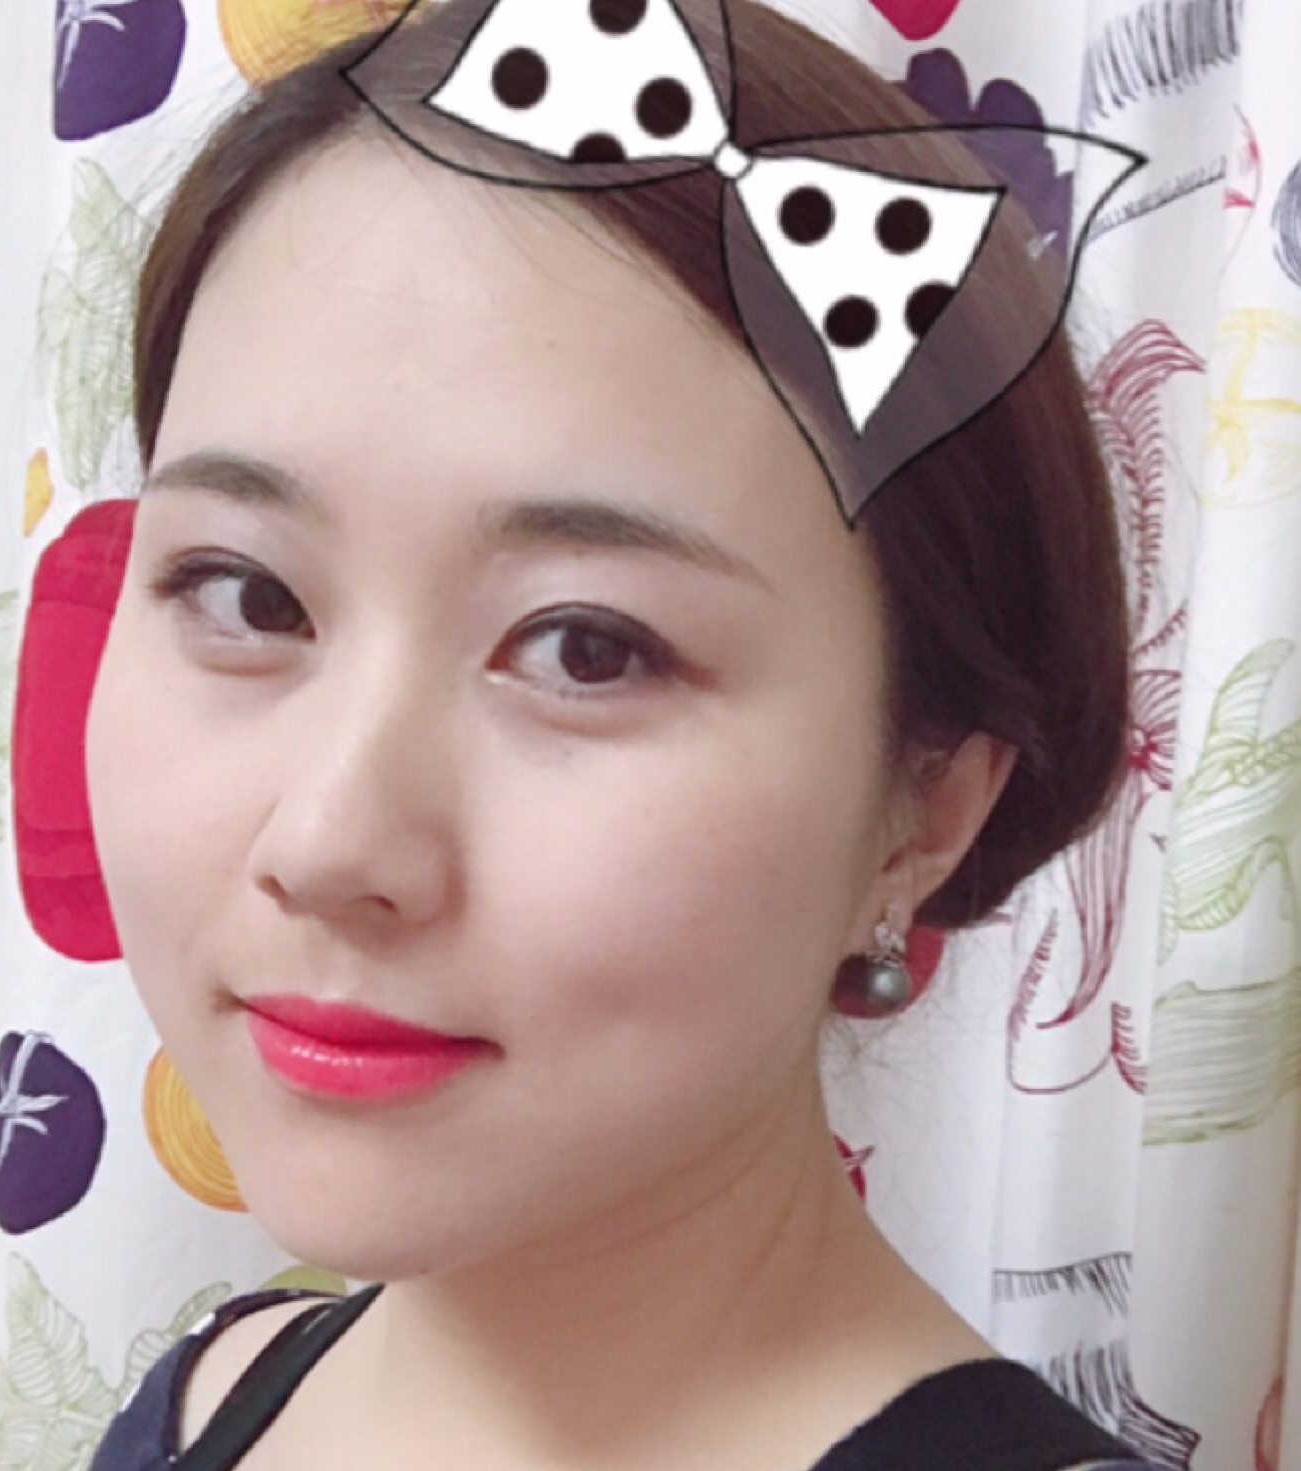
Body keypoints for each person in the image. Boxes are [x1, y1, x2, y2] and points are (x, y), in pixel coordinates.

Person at [83, 1, 1158, 1467]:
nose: (328, 844)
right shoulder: (216, 1391)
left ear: (926, 806)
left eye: (585, 649)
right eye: (246, 593)